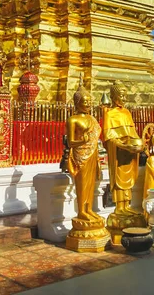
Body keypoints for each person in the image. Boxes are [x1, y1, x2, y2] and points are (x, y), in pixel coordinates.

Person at [103, 81, 143, 217]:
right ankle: (120, 206)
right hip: (118, 152)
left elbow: (133, 133)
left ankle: (127, 205)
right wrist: (123, 145)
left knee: (128, 180)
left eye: (126, 96)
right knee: (119, 180)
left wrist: (140, 144)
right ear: (114, 97)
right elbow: (109, 138)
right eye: (122, 96)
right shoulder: (109, 114)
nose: (125, 99)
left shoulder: (126, 113)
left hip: (129, 151)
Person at [66, 82, 102, 222]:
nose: (88, 104)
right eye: (85, 101)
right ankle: (81, 211)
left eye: (89, 101)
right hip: (81, 155)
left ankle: (89, 209)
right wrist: (82, 141)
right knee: (82, 184)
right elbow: (70, 143)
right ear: (77, 102)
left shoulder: (91, 119)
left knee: (91, 183)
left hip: (92, 153)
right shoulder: (73, 119)